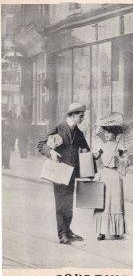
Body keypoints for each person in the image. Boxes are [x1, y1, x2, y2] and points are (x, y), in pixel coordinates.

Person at [38, 102, 90, 244]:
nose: (82, 118)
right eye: (81, 115)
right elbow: (41, 144)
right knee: (61, 203)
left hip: (72, 173)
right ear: (73, 115)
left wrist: (94, 155)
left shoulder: (78, 132)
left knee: (68, 202)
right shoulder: (59, 128)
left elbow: (86, 149)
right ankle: (62, 234)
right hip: (59, 171)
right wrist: (51, 152)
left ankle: (67, 230)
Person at [94, 125, 130, 241]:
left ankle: (116, 231)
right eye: (105, 133)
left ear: (114, 134)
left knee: (115, 202)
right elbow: (95, 157)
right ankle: (101, 232)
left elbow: (126, 162)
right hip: (104, 175)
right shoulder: (102, 145)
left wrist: (120, 159)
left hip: (115, 176)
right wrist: (94, 155)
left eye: (109, 133)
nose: (106, 135)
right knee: (102, 202)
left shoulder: (120, 145)